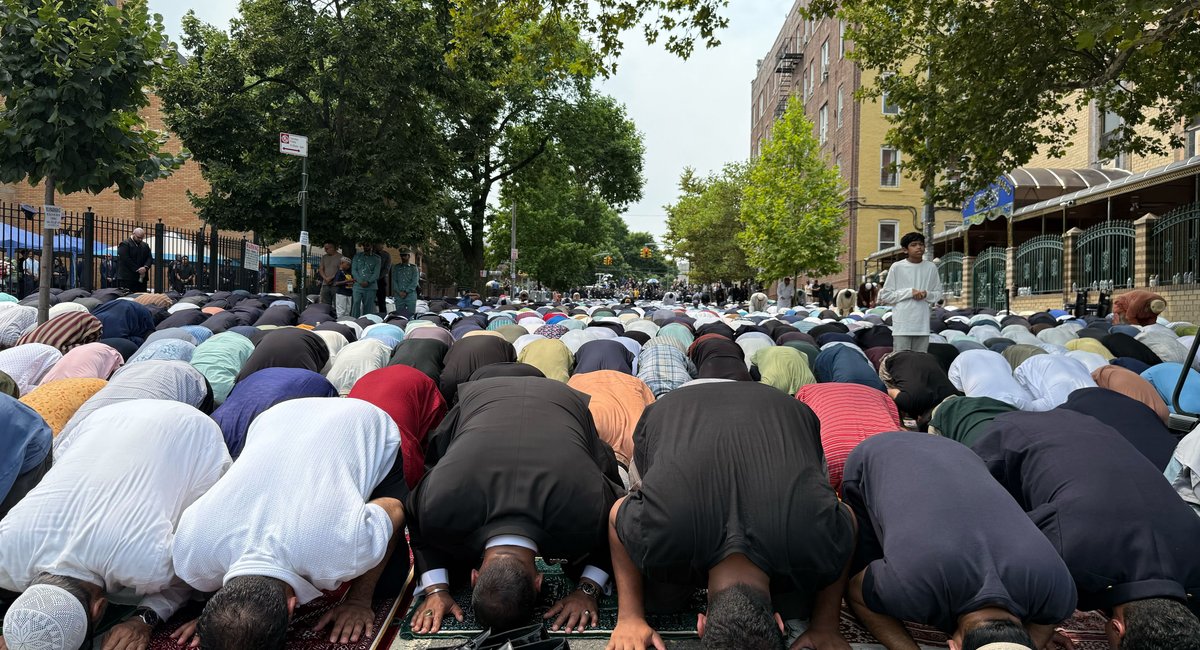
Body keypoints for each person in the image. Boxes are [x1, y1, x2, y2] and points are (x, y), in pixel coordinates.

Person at [608, 382, 855, 650]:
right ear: (701, 624)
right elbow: (616, 514)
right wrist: (630, 617)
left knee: (663, 592)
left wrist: (826, 626)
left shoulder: (816, 542)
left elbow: (848, 520)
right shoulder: (657, 539)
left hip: (775, 407)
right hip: (684, 409)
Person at [173, 398, 409, 649]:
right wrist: (224, 626)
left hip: (359, 419)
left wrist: (359, 600)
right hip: (273, 416)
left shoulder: (339, 550)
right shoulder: (189, 555)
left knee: (389, 580)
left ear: (292, 607)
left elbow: (394, 508)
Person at [0, 401, 230, 650]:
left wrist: (144, 619)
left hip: (192, 431)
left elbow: (188, 577)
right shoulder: (4, 553)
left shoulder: (146, 562)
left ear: (99, 609)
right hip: (102, 418)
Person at [407, 377, 624, 634]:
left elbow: (617, 515)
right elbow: (619, 517)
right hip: (534, 396)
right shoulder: (438, 501)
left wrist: (588, 588)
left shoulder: (587, 507)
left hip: (546, 400)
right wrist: (587, 588)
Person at [972, 408, 1200, 649]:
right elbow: (997, 556)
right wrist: (1034, 630)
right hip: (1013, 437)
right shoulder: (1068, 550)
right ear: (1116, 628)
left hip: (1096, 426)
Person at [842, 432, 1077, 650]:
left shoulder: (1060, 594)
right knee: (862, 570)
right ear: (953, 647)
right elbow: (856, 593)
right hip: (876, 453)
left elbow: (1046, 623)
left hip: (959, 452)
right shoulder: (910, 587)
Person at [879, 232, 941, 353]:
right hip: (902, 325)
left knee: (920, 361)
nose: (919, 247)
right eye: (914, 244)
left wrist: (926, 294)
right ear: (905, 249)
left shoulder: (931, 267)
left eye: (921, 244)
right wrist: (909, 292)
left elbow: (938, 294)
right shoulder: (897, 267)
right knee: (902, 361)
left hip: (922, 325)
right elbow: (886, 296)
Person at [116, 227, 153, 292]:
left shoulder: (145, 245)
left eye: (142, 237)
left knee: (141, 298)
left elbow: (149, 258)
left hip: (142, 278)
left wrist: (145, 267)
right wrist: (137, 269)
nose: (140, 239)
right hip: (128, 278)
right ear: (133, 234)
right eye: (138, 237)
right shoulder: (125, 244)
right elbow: (126, 259)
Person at [350, 244, 381, 317]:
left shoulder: (377, 258)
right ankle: (355, 321)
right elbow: (354, 270)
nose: (365, 247)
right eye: (364, 245)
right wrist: (360, 281)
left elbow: (376, 274)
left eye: (367, 245)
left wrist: (368, 281)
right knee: (356, 303)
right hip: (358, 285)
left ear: (371, 246)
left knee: (368, 306)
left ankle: (366, 322)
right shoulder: (357, 256)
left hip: (370, 286)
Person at [391, 248, 420, 318]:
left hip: (410, 295)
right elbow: (394, 281)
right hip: (399, 295)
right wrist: (399, 292)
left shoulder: (413, 268)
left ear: (409, 256)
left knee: (411, 316)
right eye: (402, 255)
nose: (403, 257)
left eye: (405, 255)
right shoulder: (396, 267)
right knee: (399, 316)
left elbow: (414, 282)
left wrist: (406, 291)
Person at [373, 243, 392, 315]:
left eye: (381, 244)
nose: (380, 245)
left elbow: (386, 269)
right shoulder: (371, 254)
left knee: (381, 301)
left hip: (380, 280)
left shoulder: (386, 255)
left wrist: (377, 277)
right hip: (370, 281)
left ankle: (383, 316)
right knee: (370, 302)